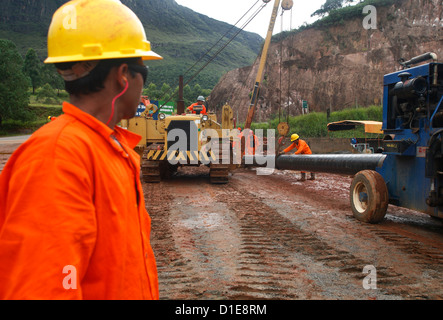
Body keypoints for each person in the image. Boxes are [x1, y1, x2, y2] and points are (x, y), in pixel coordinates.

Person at [0, 0, 162, 299]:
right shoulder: (58, 156)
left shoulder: (108, 146)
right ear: (124, 75)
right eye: (145, 71)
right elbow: (45, 287)